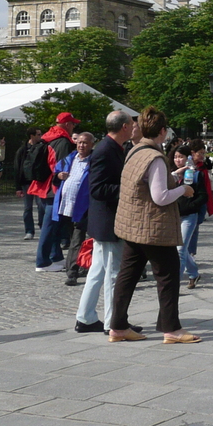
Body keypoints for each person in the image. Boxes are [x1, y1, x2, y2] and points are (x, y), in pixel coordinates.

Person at [108, 106, 198, 344]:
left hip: (132, 225)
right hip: (153, 227)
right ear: (162, 131)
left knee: (127, 276)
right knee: (168, 276)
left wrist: (173, 178)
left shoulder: (135, 151)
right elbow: (160, 197)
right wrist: (183, 189)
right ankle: (171, 329)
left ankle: (117, 326)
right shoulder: (155, 157)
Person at [75, 111, 139, 334]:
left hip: (105, 221)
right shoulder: (105, 149)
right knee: (114, 273)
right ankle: (114, 322)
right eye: (132, 124)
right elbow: (98, 189)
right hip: (108, 221)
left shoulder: (112, 148)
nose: (134, 128)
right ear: (123, 127)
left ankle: (86, 317)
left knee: (98, 271)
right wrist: (128, 189)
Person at [28, 112, 79, 272]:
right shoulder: (63, 141)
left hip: (42, 187)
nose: (73, 127)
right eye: (72, 124)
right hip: (54, 189)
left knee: (51, 225)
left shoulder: (47, 138)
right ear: (67, 125)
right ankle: (42, 262)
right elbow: (62, 166)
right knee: (50, 226)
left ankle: (55, 258)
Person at [52, 132, 95, 287]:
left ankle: (72, 273)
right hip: (66, 206)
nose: (81, 145)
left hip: (84, 207)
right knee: (74, 239)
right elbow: (55, 176)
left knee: (78, 239)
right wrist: (58, 176)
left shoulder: (94, 162)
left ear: (91, 145)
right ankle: (81, 266)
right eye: (79, 142)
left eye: (85, 143)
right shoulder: (69, 159)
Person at [172, 144, 209, 288]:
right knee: (182, 249)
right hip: (174, 216)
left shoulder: (195, 174)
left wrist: (192, 205)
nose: (178, 160)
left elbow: (203, 196)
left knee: (180, 249)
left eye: (180, 157)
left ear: (188, 158)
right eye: (175, 157)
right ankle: (193, 273)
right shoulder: (172, 175)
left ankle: (174, 285)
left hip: (189, 216)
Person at [13, 128, 42, 240]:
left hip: (38, 182)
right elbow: (17, 168)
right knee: (27, 207)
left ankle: (43, 227)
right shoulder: (22, 150)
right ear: (32, 136)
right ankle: (29, 231)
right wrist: (18, 187)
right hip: (26, 183)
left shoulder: (42, 147)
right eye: (38, 134)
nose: (41, 136)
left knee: (41, 206)